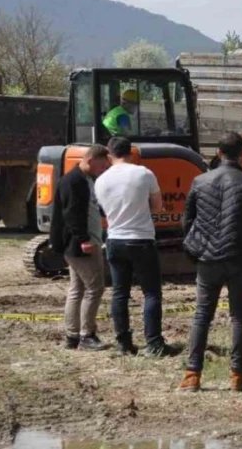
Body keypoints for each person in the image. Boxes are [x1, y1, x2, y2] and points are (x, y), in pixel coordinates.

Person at [179, 132, 242, 392]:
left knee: (201, 316)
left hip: (207, 260)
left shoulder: (199, 182)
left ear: (218, 153)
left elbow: (187, 221)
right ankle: (237, 376)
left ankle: (192, 374)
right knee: (239, 317)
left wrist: (194, 247)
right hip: (240, 258)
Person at [94, 136, 170, 356]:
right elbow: (157, 206)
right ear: (131, 152)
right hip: (141, 239)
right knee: (152, 293)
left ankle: (123, 343)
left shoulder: (101, 180)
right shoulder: (143, 173)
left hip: (115, 239)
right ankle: (154, 342)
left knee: (120, 293)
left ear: (109, 154)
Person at [49, 145, 112, 351]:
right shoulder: (73, 181)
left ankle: (72, 336)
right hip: (81, 245)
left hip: (82, 242)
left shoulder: (86, 179)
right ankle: (87, 335)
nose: (103, 171)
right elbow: (71, 214)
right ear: (91, 161)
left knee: (77, 289)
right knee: (95, 288)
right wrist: (84, 239)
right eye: (102, 166)